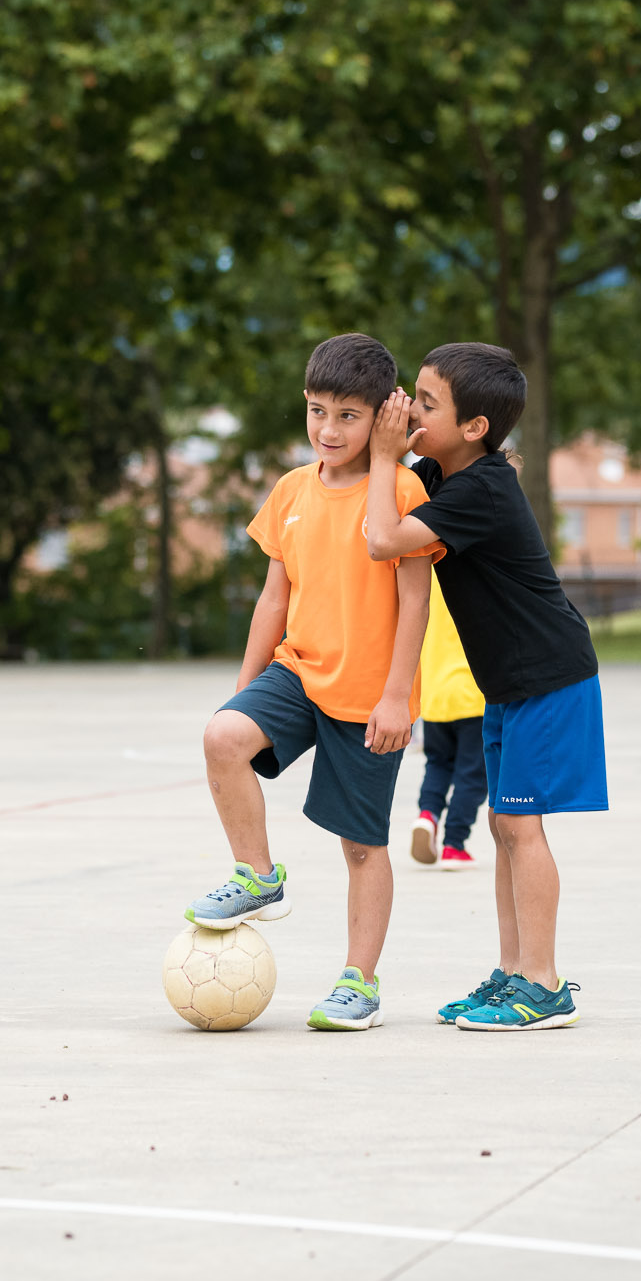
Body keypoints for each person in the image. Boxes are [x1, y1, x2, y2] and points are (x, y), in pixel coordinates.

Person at [181, 333, 437, 1032]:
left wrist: (396, 695)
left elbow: (416, 599)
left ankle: (359, 981)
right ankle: (257, 873)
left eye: (349, 416)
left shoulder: (404, 489)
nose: (329, 429)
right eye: (318, 410)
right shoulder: (292, 489)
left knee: (362, 846)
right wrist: (245, 683)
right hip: (298, 669)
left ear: (383, 415)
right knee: (223, 735)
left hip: (368, 695)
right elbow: (274, 596)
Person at [366, 341, 608, 1033]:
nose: (410, 408)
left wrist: (385, 455)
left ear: (475, 427)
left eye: (428, 402)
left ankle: (544, 982)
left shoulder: (478, 487)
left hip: (548, 675)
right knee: (504, 826)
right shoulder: (451, 473)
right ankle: (513, 974)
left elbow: (384, 538)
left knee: (521, 827)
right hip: (507, 682)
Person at [410, 577, 487, 868]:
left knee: (438, 763)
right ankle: (454, 843)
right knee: (473, 773)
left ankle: (427, 815)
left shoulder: (425, 570)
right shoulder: (476, 566)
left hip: (435, 693)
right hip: (473, 693)